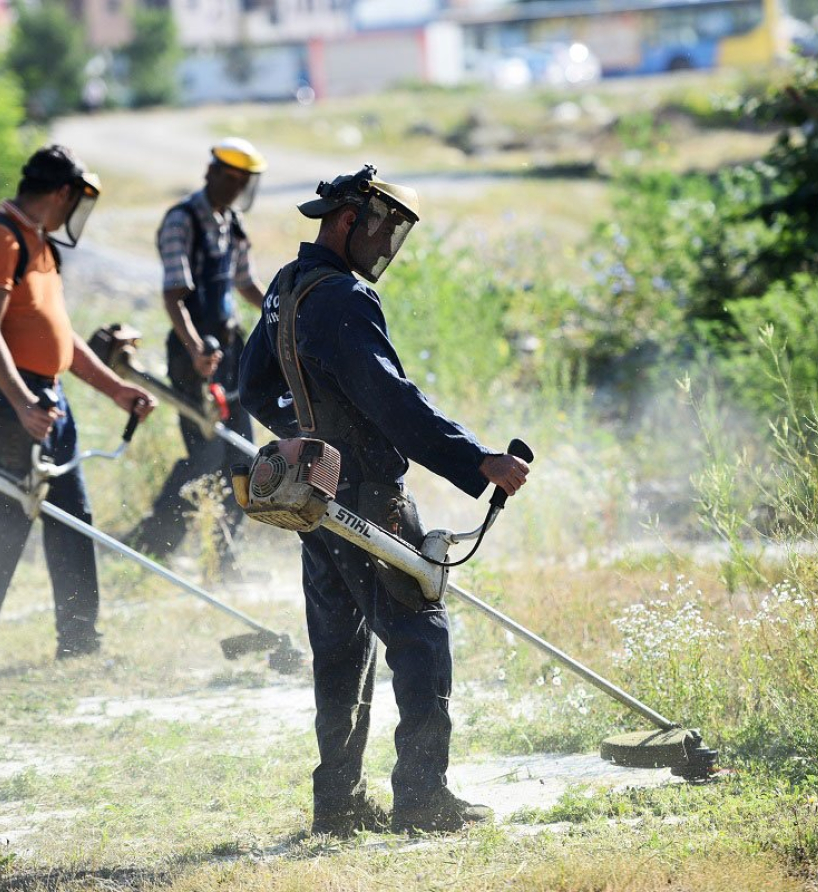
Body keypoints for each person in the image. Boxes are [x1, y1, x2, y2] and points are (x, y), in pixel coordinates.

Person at [238, 165, 531, 836]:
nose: (387, 244)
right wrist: (475, 460)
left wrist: (308, 444)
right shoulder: (341, 296)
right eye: (384, 227)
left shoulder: (288, 287)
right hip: (370, 499)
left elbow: (253, 387)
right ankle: (423, 799)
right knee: (420, 636)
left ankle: (337, 804)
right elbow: (391, 401)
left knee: (340, 653)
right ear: (349, 220)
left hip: (315, 501)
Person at [0, 145, 156, 670]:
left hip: (45, 396)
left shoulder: (39, 243)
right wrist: (23, 402)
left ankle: (79, 639)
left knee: (72, 515)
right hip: (7, 396)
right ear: (61, 193)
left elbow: (61, 338)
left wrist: (116, 390)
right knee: (7, 514)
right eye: (75, 200)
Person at [125, 138, 268, 572]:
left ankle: (225, 560)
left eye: (244, 182)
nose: (237, 188)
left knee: (243, 454)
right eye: (231, 179)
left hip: (231, 351)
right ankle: (154, 544)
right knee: (205, 455)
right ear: (212, 174)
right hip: (194, 354)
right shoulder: (181, 221)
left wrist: (283, 315)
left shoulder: (233, 222)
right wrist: (194, 351)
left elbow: (244, 285)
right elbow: (175, 296)